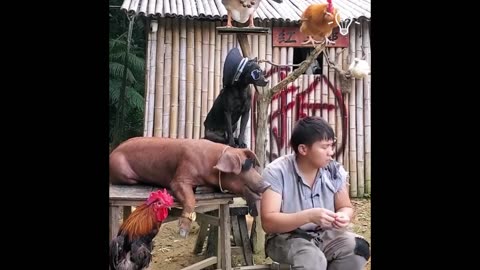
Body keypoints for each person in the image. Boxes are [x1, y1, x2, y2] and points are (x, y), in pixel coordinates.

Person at [260, 116, 370, 270]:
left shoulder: (334, 171)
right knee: (312, 259)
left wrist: (344, 215)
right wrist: (309, 216)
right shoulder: (276, 172)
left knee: (359, 248)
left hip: (325, 235)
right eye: (325, 147)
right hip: (285, 238)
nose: (331, 152)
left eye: (332, 146)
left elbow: (345, 206)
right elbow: (268, 222)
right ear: (303, 149)